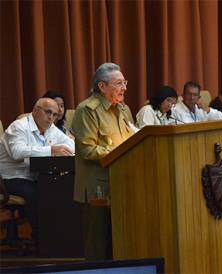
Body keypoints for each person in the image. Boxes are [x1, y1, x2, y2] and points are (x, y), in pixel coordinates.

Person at [72, 62, 135, 260]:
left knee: (122, 244)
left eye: (124, 82)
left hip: (123, 185)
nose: (124, 87)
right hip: (97, 188)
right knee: (98, 248)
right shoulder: (87, 110)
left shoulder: (124, 109)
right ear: (102, 86)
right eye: (118, 83)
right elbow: (89, 150)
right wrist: (122, 152)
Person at [0, 98, 74, 243]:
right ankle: (41, 238)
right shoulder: (18, 127)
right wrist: (51, 150)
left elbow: (71, 145)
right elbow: (17, 152)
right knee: (37, 193)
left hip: (34, 175)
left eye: (55, 115)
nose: (51, 118)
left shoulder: (50, 128)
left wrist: (65, 149)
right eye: (48, 113)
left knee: (58, 188)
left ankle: (60, 236)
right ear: (35, 111)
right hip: (9, 178)